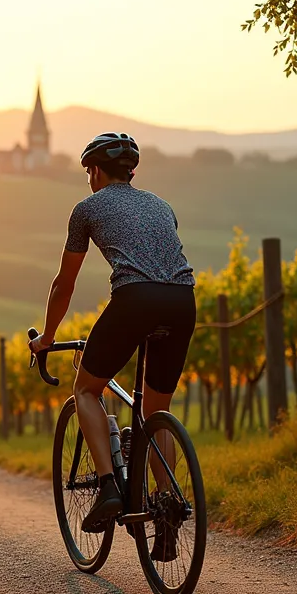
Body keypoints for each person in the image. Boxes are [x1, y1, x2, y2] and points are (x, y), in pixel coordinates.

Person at [28, 132, 196, 562]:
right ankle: (164, 504)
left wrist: (47, 338)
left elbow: (64, 283)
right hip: (181, 302)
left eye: (88, 172)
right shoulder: (162, 205)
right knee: (156, 412)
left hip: (135, 300)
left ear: (97, 171)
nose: (89, 179)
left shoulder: (87, 209)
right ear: (132, 172)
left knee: (86, 390)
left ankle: (108, 487)